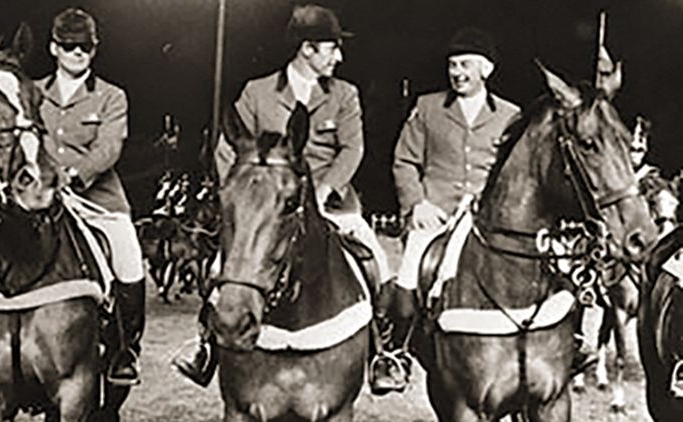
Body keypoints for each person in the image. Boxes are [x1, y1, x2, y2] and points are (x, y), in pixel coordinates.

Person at [173, 4, 399, 391]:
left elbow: (352, 150)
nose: (339, 56)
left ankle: (382, 353)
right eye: (332, 48)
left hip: (331, 206)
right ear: (308, 48)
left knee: (377, 264)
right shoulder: (257, 91)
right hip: (265, 211)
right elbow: (228, 148)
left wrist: (327, 188)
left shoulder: (344, 94)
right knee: (217, 270)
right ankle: (205, 347)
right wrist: (243, 194)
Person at [0, 7, 145, 386]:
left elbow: (109, 148)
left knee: (129, 258)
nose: (77, 52)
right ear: (54, 48)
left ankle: (124, 350)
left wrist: (72, 175)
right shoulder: (29, 90)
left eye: (85, 47)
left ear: (94, 51)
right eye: (68, 45)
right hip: (35, 199)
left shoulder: (111, 96)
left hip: (96, 200)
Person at [378, 27, 521, 391]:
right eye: (453, 65)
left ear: (486, 69)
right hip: (435, 214)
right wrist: (417, 204)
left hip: (487, 218)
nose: (457, 72)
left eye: (465, 65)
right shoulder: (427, 107)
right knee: (409, 271)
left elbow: (515, 172)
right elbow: (404, 161)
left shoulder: (510, 115)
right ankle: (396, 352)